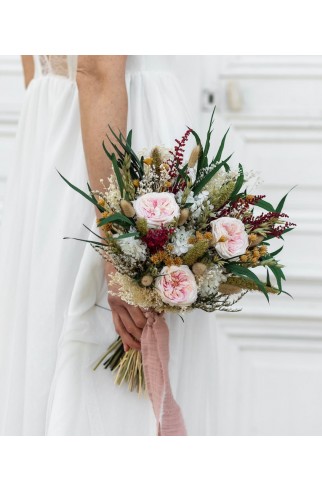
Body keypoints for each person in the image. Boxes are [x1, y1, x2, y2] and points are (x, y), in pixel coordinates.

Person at [0, 55, 219, 435]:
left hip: (56, 141)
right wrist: (120, 244)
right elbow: (98, 70)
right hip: (112, 145)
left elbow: (37, 65)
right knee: (107, 376)